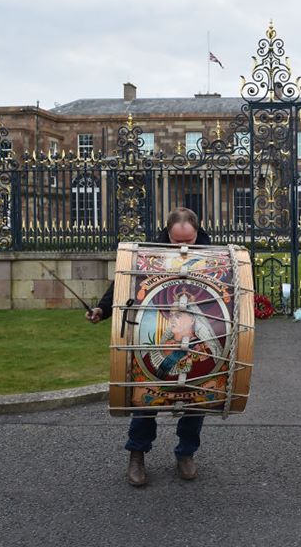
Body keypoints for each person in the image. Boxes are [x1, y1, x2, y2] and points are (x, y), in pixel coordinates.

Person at [87, 207, 213, 487]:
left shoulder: (214, 257)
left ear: (197, 232)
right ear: (167, 232)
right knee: (145, 393)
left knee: (197, 397)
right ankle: (137, 453)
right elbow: (124, 281)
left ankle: (186, 454)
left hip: (194, 336)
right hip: (154, 332)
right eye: (176, 240)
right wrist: (102, 309)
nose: (182, 246)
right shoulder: (149, 252)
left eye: (188, 241)